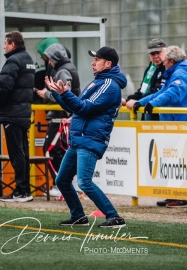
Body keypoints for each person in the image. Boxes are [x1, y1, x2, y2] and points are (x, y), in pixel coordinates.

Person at [45, 46, 127, 228]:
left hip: (90, 139)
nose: (93, 62)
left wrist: (64, 93)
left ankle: (114, 217)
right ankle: (78, 216)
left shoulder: (109, 85)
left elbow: (84, 108)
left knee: (84, 181)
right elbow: (77, 107)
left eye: (97, 59)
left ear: (108, 64)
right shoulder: (99, 81)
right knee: (62, 180)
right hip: (80, 139)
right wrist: (60, 95)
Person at [133, 45, 187, 208]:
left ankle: (183, 196)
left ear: (170, 61)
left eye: (165, 61)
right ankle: (174, 194)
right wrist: (143, 102)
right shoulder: (175, 73)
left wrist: (151, 104)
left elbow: (173, 93)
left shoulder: (180, 74)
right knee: (173, 160)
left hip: (180, 123)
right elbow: (162, 92)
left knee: (181, 160)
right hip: (174, 123)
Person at [0, 31, 35, 203]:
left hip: (12, 114)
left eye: (5, 43)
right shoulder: (28, 60)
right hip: (23, 113)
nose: (3, 46)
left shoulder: (13, 60)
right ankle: (25, 190)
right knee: (23, 152)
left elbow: (3, 87)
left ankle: (21, 191)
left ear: (12, 44)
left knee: (16, 153)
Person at [35, 43, 81, 197]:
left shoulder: (63, 71)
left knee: (50, 150)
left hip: (60, 118)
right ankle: (63, 184)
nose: (48, 62)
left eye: (49, 59)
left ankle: (60, 184)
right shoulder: (69, 68)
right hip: (65, 117)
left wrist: (46, 94)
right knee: (61, 151)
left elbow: (64, 94)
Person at [122, 38, 166, 120]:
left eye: (158, 53)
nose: (156, 56)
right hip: (147, 111)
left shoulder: (167, 68)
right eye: (153, 54)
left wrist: (138, 102)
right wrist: (128, 100)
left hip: (160, 114)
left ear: (165, 52)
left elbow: (158, 92)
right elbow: (142, 91)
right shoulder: (150, 69)